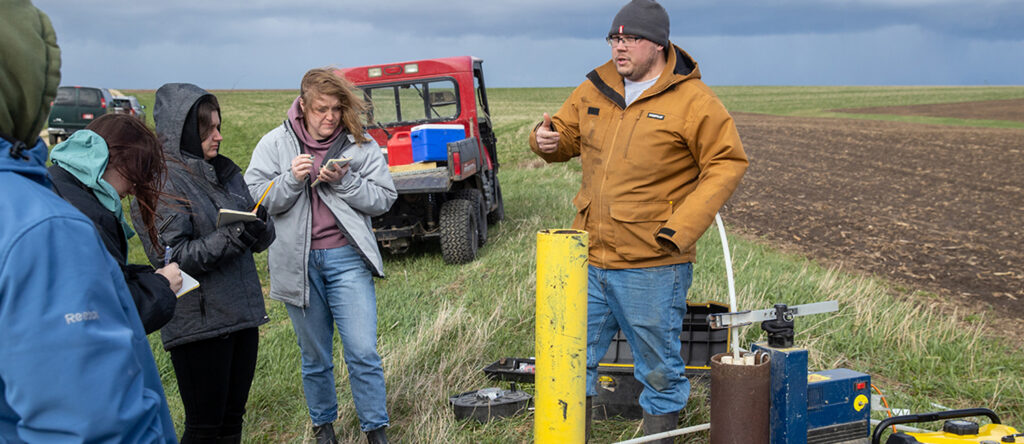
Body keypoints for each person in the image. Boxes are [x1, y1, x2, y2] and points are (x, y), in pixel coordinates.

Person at [529, 0, 749, 441]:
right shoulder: (596, 86)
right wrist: (544, 139)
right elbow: (566, 136)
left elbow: (727, 163)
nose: (619, 48)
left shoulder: (694, 100)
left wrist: (679, 231)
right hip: (587, 256)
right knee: (571, 360)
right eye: (615, 38)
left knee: (660, 372)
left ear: (659, 45)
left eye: (630, 39)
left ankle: (660, 436)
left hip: (653, 263)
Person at [0, 0, 177, 441]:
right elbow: (92, 419)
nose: (134, 193)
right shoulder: (45, 225)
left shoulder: (50, 184)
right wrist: (157, 288)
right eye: (135, 180)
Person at [244, 68, 396, 444]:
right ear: (302, 105)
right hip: (296, 264)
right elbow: (256, 200)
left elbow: (384, 199)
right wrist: (289, 181)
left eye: (336, 109)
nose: (329, 117)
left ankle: (375, 430)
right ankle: (324, 428)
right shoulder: (274, 144)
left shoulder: (360, 145)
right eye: (320, 109)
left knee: (362, 351)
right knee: (314, 356)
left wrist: (345, 181)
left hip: (347, 260)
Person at [132, 83, 275, 443]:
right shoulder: (159, 183)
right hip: (199, 325)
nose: (219, 136)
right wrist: (235, 236)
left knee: (231, 421)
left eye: (219, 126)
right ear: (184, 131)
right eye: (209, 129)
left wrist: (259, 226)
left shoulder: (224, 173)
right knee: (205, 427)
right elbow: (172, 258)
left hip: (239, 315)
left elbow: (251, 236)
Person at [49, 113, 181, 334]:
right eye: (134, 176)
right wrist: (161, 285)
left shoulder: (52, 183)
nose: (132, 189)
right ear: (111, 160)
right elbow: (108, 312)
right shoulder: (90, 217)